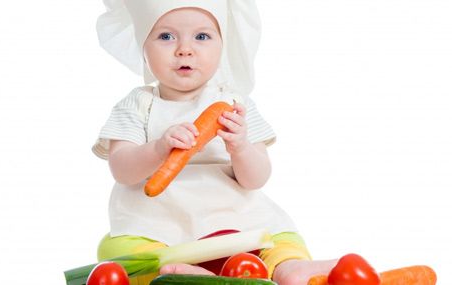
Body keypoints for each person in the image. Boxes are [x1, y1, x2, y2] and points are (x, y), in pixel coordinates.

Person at [92, 1, 337, 284]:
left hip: (234, 219)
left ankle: (287, 268)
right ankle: (187, 273)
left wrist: (241, 148)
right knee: (115, 248)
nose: (185, 49)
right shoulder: (137, 105)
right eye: (166, 36)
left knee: (281, 237)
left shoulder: (236, 105)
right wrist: (158, 148)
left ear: (223, 45)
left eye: (202, 36)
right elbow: (122, 170)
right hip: (159, 223)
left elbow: (257, 178)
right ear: (142, 45)